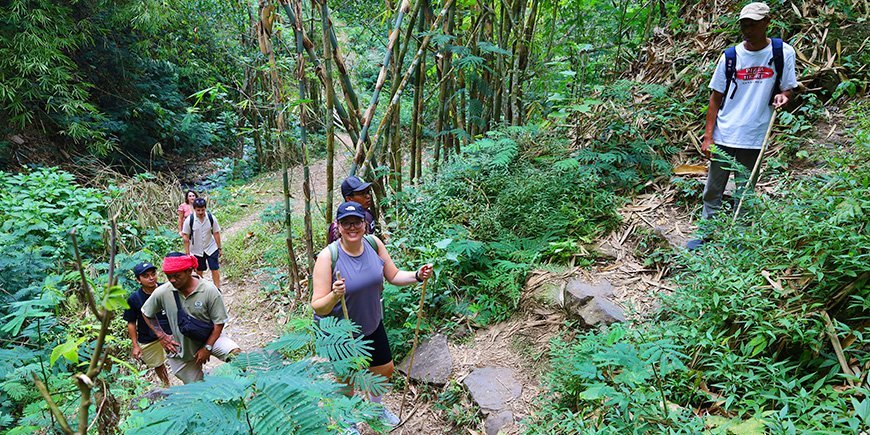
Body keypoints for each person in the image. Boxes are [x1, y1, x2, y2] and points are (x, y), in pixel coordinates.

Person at [312, 201, 433, 428]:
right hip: (340, 331)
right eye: (346, 223)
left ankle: (375, 409)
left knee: (384, 369)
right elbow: (318, 306)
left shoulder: (373, 244)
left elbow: (394, 275)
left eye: (356, 222)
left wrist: (417, 275)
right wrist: (334, 295)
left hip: (370, 322)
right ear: (338, 226)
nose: (352, 227)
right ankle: (347, 420)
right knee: (346, 379)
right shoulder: (328, 257)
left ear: (364, 224)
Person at [690, 2, 797, 249]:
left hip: (755, 133)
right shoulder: (731, 56)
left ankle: (739, 240)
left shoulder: (783, 53)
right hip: (725, 132)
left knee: (745, 190)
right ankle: (707, 235)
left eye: (753, 23)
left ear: (767, 23)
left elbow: (787, 88)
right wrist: (708, 136)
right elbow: (715, 98)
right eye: (744, 24)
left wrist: (784, 97)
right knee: (713, 190)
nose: (747, 29)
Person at [141, 253, 240, 384]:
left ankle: (248, 388)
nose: (172, 280)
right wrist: (162, 336)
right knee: (196, 390)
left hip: (211, 338)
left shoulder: (209, 290)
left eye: (177, 276)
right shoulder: (163, 291)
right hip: (181, 349)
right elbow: (146, 312)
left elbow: (219, 323)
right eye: (169, 276)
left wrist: (207, 348)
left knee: (236, 355)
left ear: (189, 271)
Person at [123, 262, 171, 387]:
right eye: (146, 276)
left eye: (153, 274)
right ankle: (167, 385)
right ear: (138, 280)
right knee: (157, 364)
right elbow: (131, 322)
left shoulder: (167, 289)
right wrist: (135, 345)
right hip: (148, 337)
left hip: (171, 332)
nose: (151, 278)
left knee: (181, 357)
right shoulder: (134, 299)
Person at [182, 197, 223, 289]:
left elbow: (216, 233)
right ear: (194, 209)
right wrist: (187, 253)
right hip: (196, 250)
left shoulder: (211, 218)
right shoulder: (189, 220)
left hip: (211, 247)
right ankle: (200, 289)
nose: (200, 212)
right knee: (199, 271)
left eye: (202, 210)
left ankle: (217, 288)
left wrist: (219, 248)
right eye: (198, 210)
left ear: (205, 208)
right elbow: (185, 237)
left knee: (215, 269)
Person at [326, 176, 378, 244]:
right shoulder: (338, 227)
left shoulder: (367, 214)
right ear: (349, 199)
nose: (368, 196)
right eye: (362, 193)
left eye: (368, 192)